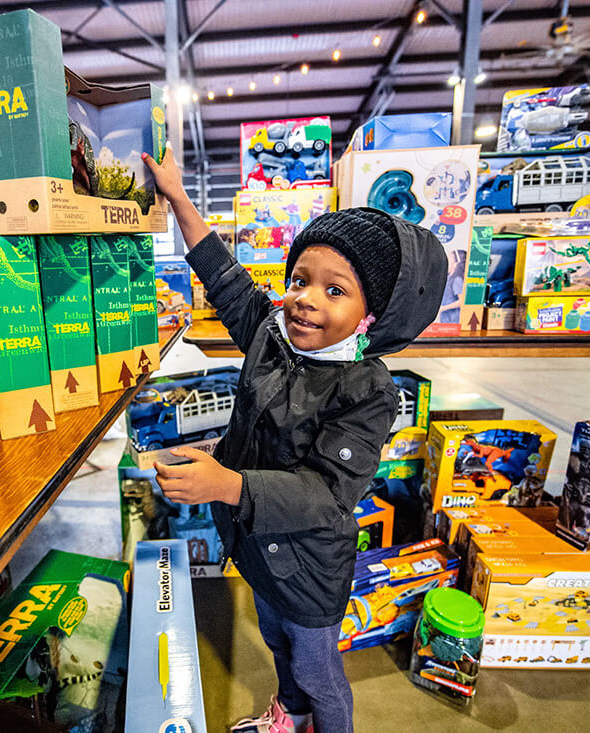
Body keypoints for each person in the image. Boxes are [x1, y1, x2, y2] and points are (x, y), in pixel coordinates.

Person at [143, 146, 448, 733]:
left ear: (372, 315)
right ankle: (291, 714)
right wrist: (178, 197)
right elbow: (225, 278)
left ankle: (324, 720)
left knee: (317, 669)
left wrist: (228, 484)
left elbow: (326, 494)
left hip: (309, 566)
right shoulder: (271, 334)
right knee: (276, 643)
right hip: (259, 546)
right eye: (300, 279)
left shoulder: (367, 389)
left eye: (335, 290)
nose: (305, 298)